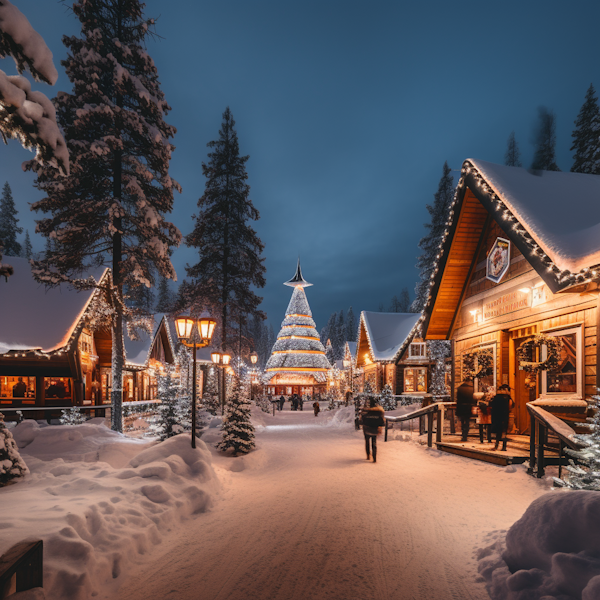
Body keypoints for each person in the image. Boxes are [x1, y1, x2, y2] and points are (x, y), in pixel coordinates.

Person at [360, 397, 385, 462]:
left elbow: (361, 420)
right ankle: (374, 457)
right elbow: (382, 422)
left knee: (367, 441)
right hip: (375, 429)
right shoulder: (379, 411)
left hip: (367, 428)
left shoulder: (365, 411)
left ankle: (368, 455)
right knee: (374, 442)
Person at [490, 384, 514, 451]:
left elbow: (492, 406)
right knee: (504, 432)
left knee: (498, 432)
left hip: (497, 417)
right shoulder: (508, 398)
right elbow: (511, 405)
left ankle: (496, 445)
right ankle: (504, 446)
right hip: (505, 416)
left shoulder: (496, 397)